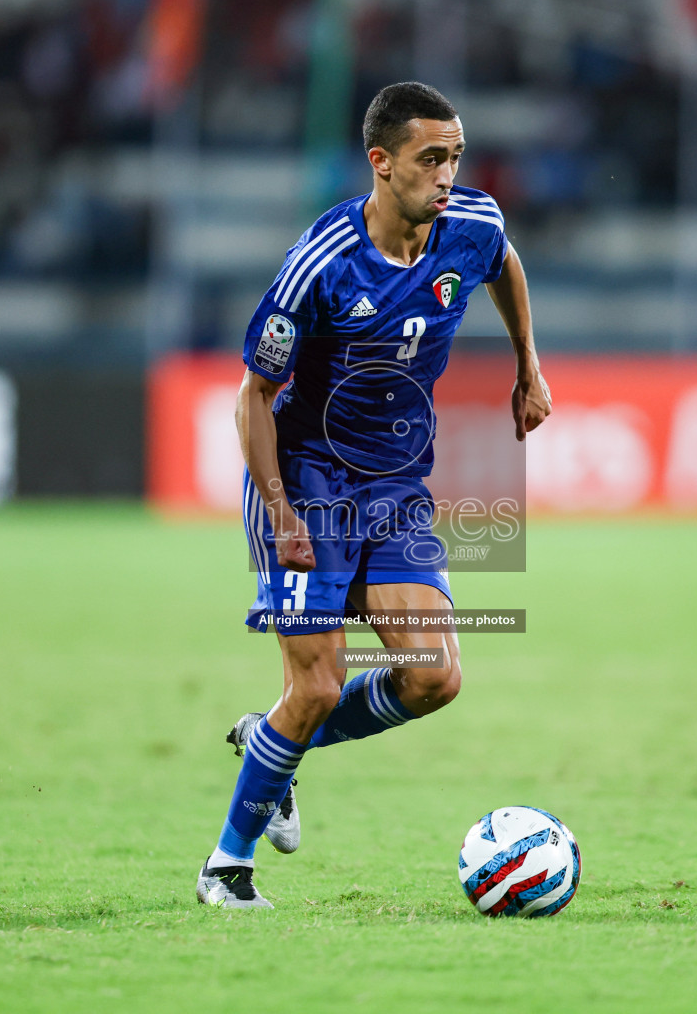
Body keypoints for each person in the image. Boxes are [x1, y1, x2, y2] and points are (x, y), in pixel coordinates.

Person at [197, 81, 552, 909]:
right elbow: (251, 397)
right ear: (382, 164)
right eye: (432, 159)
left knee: (434, 677)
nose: (448, 175)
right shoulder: (319, 265)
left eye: (456, 157)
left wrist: (526, 364)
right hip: (309, 481)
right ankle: (226, 869)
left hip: (395, 485)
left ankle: (275, 746)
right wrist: (282, 512)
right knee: (317, 686)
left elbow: (503, 264)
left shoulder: (471, 224)